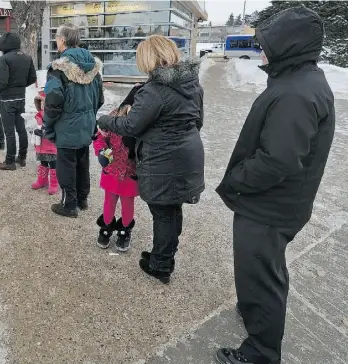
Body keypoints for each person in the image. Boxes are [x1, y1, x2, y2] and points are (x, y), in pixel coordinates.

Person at [215, 7, 335, 364]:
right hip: (276, 203)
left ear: (291, 45)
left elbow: (279, 160)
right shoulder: (297, 80)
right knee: (259, 269)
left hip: (270, 206)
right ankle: (256, 311)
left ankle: (261, 351)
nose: (263, 50)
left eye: (270, 43)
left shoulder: (297, 92)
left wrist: (237, 179)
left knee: (262, 275)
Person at [96, 35, 204, 283]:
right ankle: (164, 256)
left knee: (163, 213)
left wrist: (104, 120)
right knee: (172, 210)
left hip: (164, 161)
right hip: (189, 155)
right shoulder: (191, 84)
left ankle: (160, 265)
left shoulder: (154, 90)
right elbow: (198, 121)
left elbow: (131, 125)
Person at [43, 23, 104, 217]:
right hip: (86, 124)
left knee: (66, 164)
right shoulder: (92, 67)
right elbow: (100, 98)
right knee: (82, 161)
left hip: (66, 125)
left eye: (57, 38)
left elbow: (53, 103)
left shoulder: (58, 69)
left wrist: (48, 125)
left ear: (62, 40)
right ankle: (82, 198)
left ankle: (69, 203)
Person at [93, 98, 140, 251]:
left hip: (130, 173)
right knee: (109, 201)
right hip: (111, 170)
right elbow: (100, 137)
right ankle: (106, 227)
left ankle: (125, 230)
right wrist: (101, 151)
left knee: (128, 204)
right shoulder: (114, 117)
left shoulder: (143, 122)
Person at [0, 32, 37, 170]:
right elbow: (32, 78)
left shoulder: (4, 59)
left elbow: (1, 81)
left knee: (9, 131)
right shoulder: (27, 57)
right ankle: (22, 157)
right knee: (21, 128)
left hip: (7, 99)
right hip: (21, 97)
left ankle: (10, 161)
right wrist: (20, 85)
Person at [31, 92, 58, 195]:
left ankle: (54, 183)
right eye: (40, 103)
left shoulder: (53, 117)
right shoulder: (38, 115)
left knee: (53, 164)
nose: (42, 106)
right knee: (43, 163)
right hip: (40, 145)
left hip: (51, 146)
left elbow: (55, 130)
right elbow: (34, 126)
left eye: (44, 103)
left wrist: (43, 132)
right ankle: (42, 180)